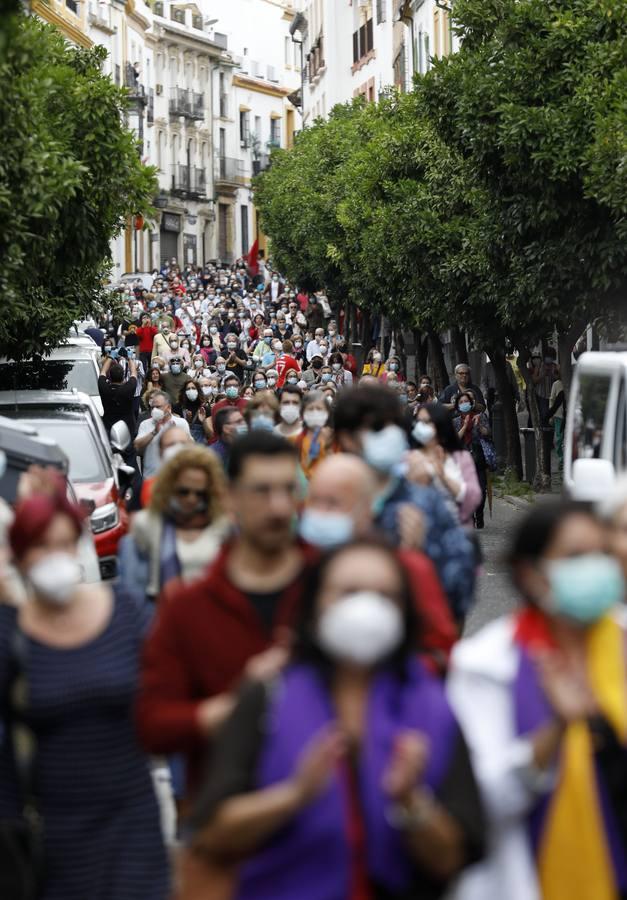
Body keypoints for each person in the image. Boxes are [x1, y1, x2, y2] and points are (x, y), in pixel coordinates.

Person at [189, 540, 484, 899]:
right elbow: (212, 834)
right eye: (349, 592)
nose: (366, 608)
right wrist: (294, 795)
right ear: (315, 605)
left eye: (385, 596)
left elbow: (452, 859)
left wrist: (411, 803)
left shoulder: (434, 705)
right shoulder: (269, 696)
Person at [448, 499, 627, 900]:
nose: (596, 567)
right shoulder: (486, 666)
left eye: (603, 553)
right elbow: (478, 805)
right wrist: (553, 734)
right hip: (531, 880)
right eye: (576, 556)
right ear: (531, 573)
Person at [1, 489, 169, 899]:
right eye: (42, 546)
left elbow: (161, 696)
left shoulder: (123, 611)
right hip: (55, 833)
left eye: (64, 544)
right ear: (20, 556)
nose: (55, 557)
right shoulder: (11, 635)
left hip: (132, 818)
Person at [136, 433, 319, 797]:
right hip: (226, 823)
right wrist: (233, 709)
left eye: (288, 490)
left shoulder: (333, 586)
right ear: (231, 498)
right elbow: (151, 723)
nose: (280, 507)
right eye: (262, 491)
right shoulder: (190, 608)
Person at [300, 454, 457, 668]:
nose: (321, 513)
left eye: (333, 503)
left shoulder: (407, 567)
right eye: (315, 501)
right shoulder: (298, 564)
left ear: (366, 510)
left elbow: (441, 650)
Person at [333, 385, 475, 622]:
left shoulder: (424, 502)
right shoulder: (330, 502)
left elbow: (459, 590)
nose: (388, 435)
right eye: (377, 427)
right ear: (347, 438)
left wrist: (415, 564)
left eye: (394, 426)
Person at [118, 446, 230, 603]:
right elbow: (131, 584)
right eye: (184, 492)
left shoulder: (223, 526)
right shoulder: (146, 523)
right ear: (169, 487)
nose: (191, 499)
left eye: (200, 493)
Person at [409, 403, 482, 527]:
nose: (421, 426)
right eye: (419, 422)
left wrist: (443, 476)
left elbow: (473, 498)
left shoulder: (461, 458)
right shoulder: (409, 458)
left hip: (456, 530)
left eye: (426, 422)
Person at [453, 391, 491, 530]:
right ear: (457, 405)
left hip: (478, 459)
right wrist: (464, 426)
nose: (464, 404)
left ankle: (479, 513)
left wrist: (479, 425)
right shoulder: (455, 421)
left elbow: (488, 434)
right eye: (461, 402)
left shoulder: (480, 417)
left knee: (481, 491)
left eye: (466, 401)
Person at [134, 390, 190, 478]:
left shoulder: (181, 423)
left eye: (158, 407)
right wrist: (153, 432)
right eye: (152, 407)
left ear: (168, 407)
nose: (154, 410)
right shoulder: (145, 424)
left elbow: (190, 447)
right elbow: (137, 446)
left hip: (175, 479)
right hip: (151, 479)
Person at [296, 389, 334, 479]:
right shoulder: (297, 440)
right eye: (310, 409)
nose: (315, 412)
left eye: (319, 409)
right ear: (303, 414)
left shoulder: (334, 437)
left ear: (327, 413)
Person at [98, 354, 137, 437]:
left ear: (110, 377)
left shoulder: (104, 388)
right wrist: (129, 358)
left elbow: (103, 372)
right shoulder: (128, 389)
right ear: (123, 377)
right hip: (127, 429)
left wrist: (111, 357)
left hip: (109, 429)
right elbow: (133, 372)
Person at [548, 368, 565, 470]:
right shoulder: (556, 384)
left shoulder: (569, 383)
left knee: (564, 439)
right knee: (559, 439)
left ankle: (565, 460)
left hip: (567, 415)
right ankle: (561, 459)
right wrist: (551, 414)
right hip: (558, 415)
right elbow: (552, 399)